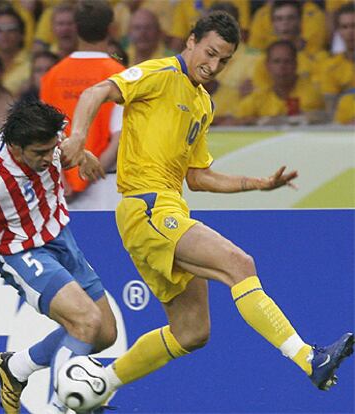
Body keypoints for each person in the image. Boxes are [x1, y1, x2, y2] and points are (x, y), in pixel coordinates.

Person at [62, 10, 354, 409]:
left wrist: (259, 184)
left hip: (166, 210)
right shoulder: (159, 73)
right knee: (239, 263)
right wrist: (79, 136)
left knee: (191, 332)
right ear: (191, 40)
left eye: (224, 61)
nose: (213, 66)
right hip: (146, 208)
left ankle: (99, 384)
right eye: (210, 53)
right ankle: (309, 358)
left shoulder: (203, 103)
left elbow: (198, 176)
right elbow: (96, 92)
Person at [0, 100, 117, 414]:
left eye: (52, 149)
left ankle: (17, 367)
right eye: (41, 153)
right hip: (22, 252)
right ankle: (61, 407)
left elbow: (63, 146)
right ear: (16, 147)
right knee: (86, 320)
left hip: (61, 237)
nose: (50, 158)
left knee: (104, 333)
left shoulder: (46, 134)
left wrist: (84, 155)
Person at [41, 0, 125, 210]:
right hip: (104, 182)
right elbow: (119, 136)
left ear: (76, 28)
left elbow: (44, 134)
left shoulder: (52, 75)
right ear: (111, 29)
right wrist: (86, 175)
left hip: (61, 187)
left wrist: (62, 178)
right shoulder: (120, 75)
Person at [235, 40, 325, 126]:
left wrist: (260, 121)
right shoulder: (259, 95)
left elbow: (305, 122)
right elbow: (237, 122)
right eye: (276, 61)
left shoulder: (311, 93)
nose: (282, 67)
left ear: (296, 65)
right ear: (267, 66)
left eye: (287, 61)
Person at [321, 2, 355, 120]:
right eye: (345, 27)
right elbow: (331, 111)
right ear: (339, 32)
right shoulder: (330, 67)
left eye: (354, 26)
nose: (350, 32)